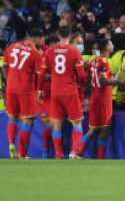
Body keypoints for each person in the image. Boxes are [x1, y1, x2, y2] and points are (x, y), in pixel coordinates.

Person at [38, 27, 86, 159]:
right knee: (77, 123)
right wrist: (81, 87)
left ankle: (58, 154)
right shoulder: (74, 52)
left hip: (55, 92)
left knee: (57, 124)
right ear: (70, 36)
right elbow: (81, 76)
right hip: (70, 91)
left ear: (58, 35)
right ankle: (75, 153)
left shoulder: (50, 52)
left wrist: (40, 89)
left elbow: (42, 73)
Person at [78, 39, 125, 159]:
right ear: (106, 47)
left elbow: (90, 79)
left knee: (95, 128)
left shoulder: (94, 60)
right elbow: (103, 81)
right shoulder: (104, 62)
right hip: (103, 98)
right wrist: (120, 81)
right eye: (110, 43)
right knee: (103, 128)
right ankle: (81, 152)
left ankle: (80, 152)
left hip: (95, 96)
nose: (113, 45)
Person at [3, 30, 43, 159]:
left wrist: (9, 80)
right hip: (26, 89)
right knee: (28, 120)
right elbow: (40, 74)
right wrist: (40, 90)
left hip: (11, 87)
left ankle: (10, 144)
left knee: (12, 118)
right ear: (35, 38)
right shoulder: (35, 53)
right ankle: (23, 153)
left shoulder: (11, 48)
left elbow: (5, 66)